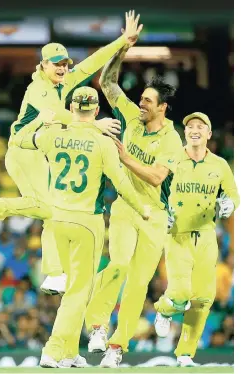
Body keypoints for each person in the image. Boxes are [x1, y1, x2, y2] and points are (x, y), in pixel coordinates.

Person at [0, 86, 150, 368]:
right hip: (86, 223)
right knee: (80, 292)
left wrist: (44, 119)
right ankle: (52, 350)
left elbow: (20, 139)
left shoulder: (54, 135)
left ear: (73, 108)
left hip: (56, 219)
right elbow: (122, 184)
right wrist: (143, 209)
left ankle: (68, 353)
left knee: (72, 291)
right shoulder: (102, 142)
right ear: (95, 111)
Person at [4, 10, 144, 296]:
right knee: (48, 210)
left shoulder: (62, 83)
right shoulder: (39, 89)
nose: (62, 68)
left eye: (65, 64)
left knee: (49, 211)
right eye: (55, 64)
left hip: (37, 148)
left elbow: (91, 64)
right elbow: (59, 114)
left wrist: (122, 40)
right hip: (23, 149)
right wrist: (97, 124)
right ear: (42, 65)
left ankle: (55, 274)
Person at [84, 45, 183, 368]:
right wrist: (122, 47)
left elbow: (157, 177)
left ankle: (117, 345)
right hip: (127, 205)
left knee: (139, 284)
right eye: (140, 99)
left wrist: (125, 157)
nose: (140, 103)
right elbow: (108, 84)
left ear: (163, 108)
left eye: (147, 101)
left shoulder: (172, 139)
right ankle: (98, 326)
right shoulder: (131, 117)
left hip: (155, 216)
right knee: (119, 264)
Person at [153, 112, 239, 367]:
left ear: (209, 134)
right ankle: (164, 309)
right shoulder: (171, 159)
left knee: (203, 298)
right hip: (177, 235)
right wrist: (160, 212)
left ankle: (185, 354)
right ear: (185, 133)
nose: (194, 129)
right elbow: (152, 188)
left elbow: (234, 194)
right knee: (180, 292)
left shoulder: (220, 165)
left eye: (201, 126)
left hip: (206, 236)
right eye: (190, 126)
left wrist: (229, 204)